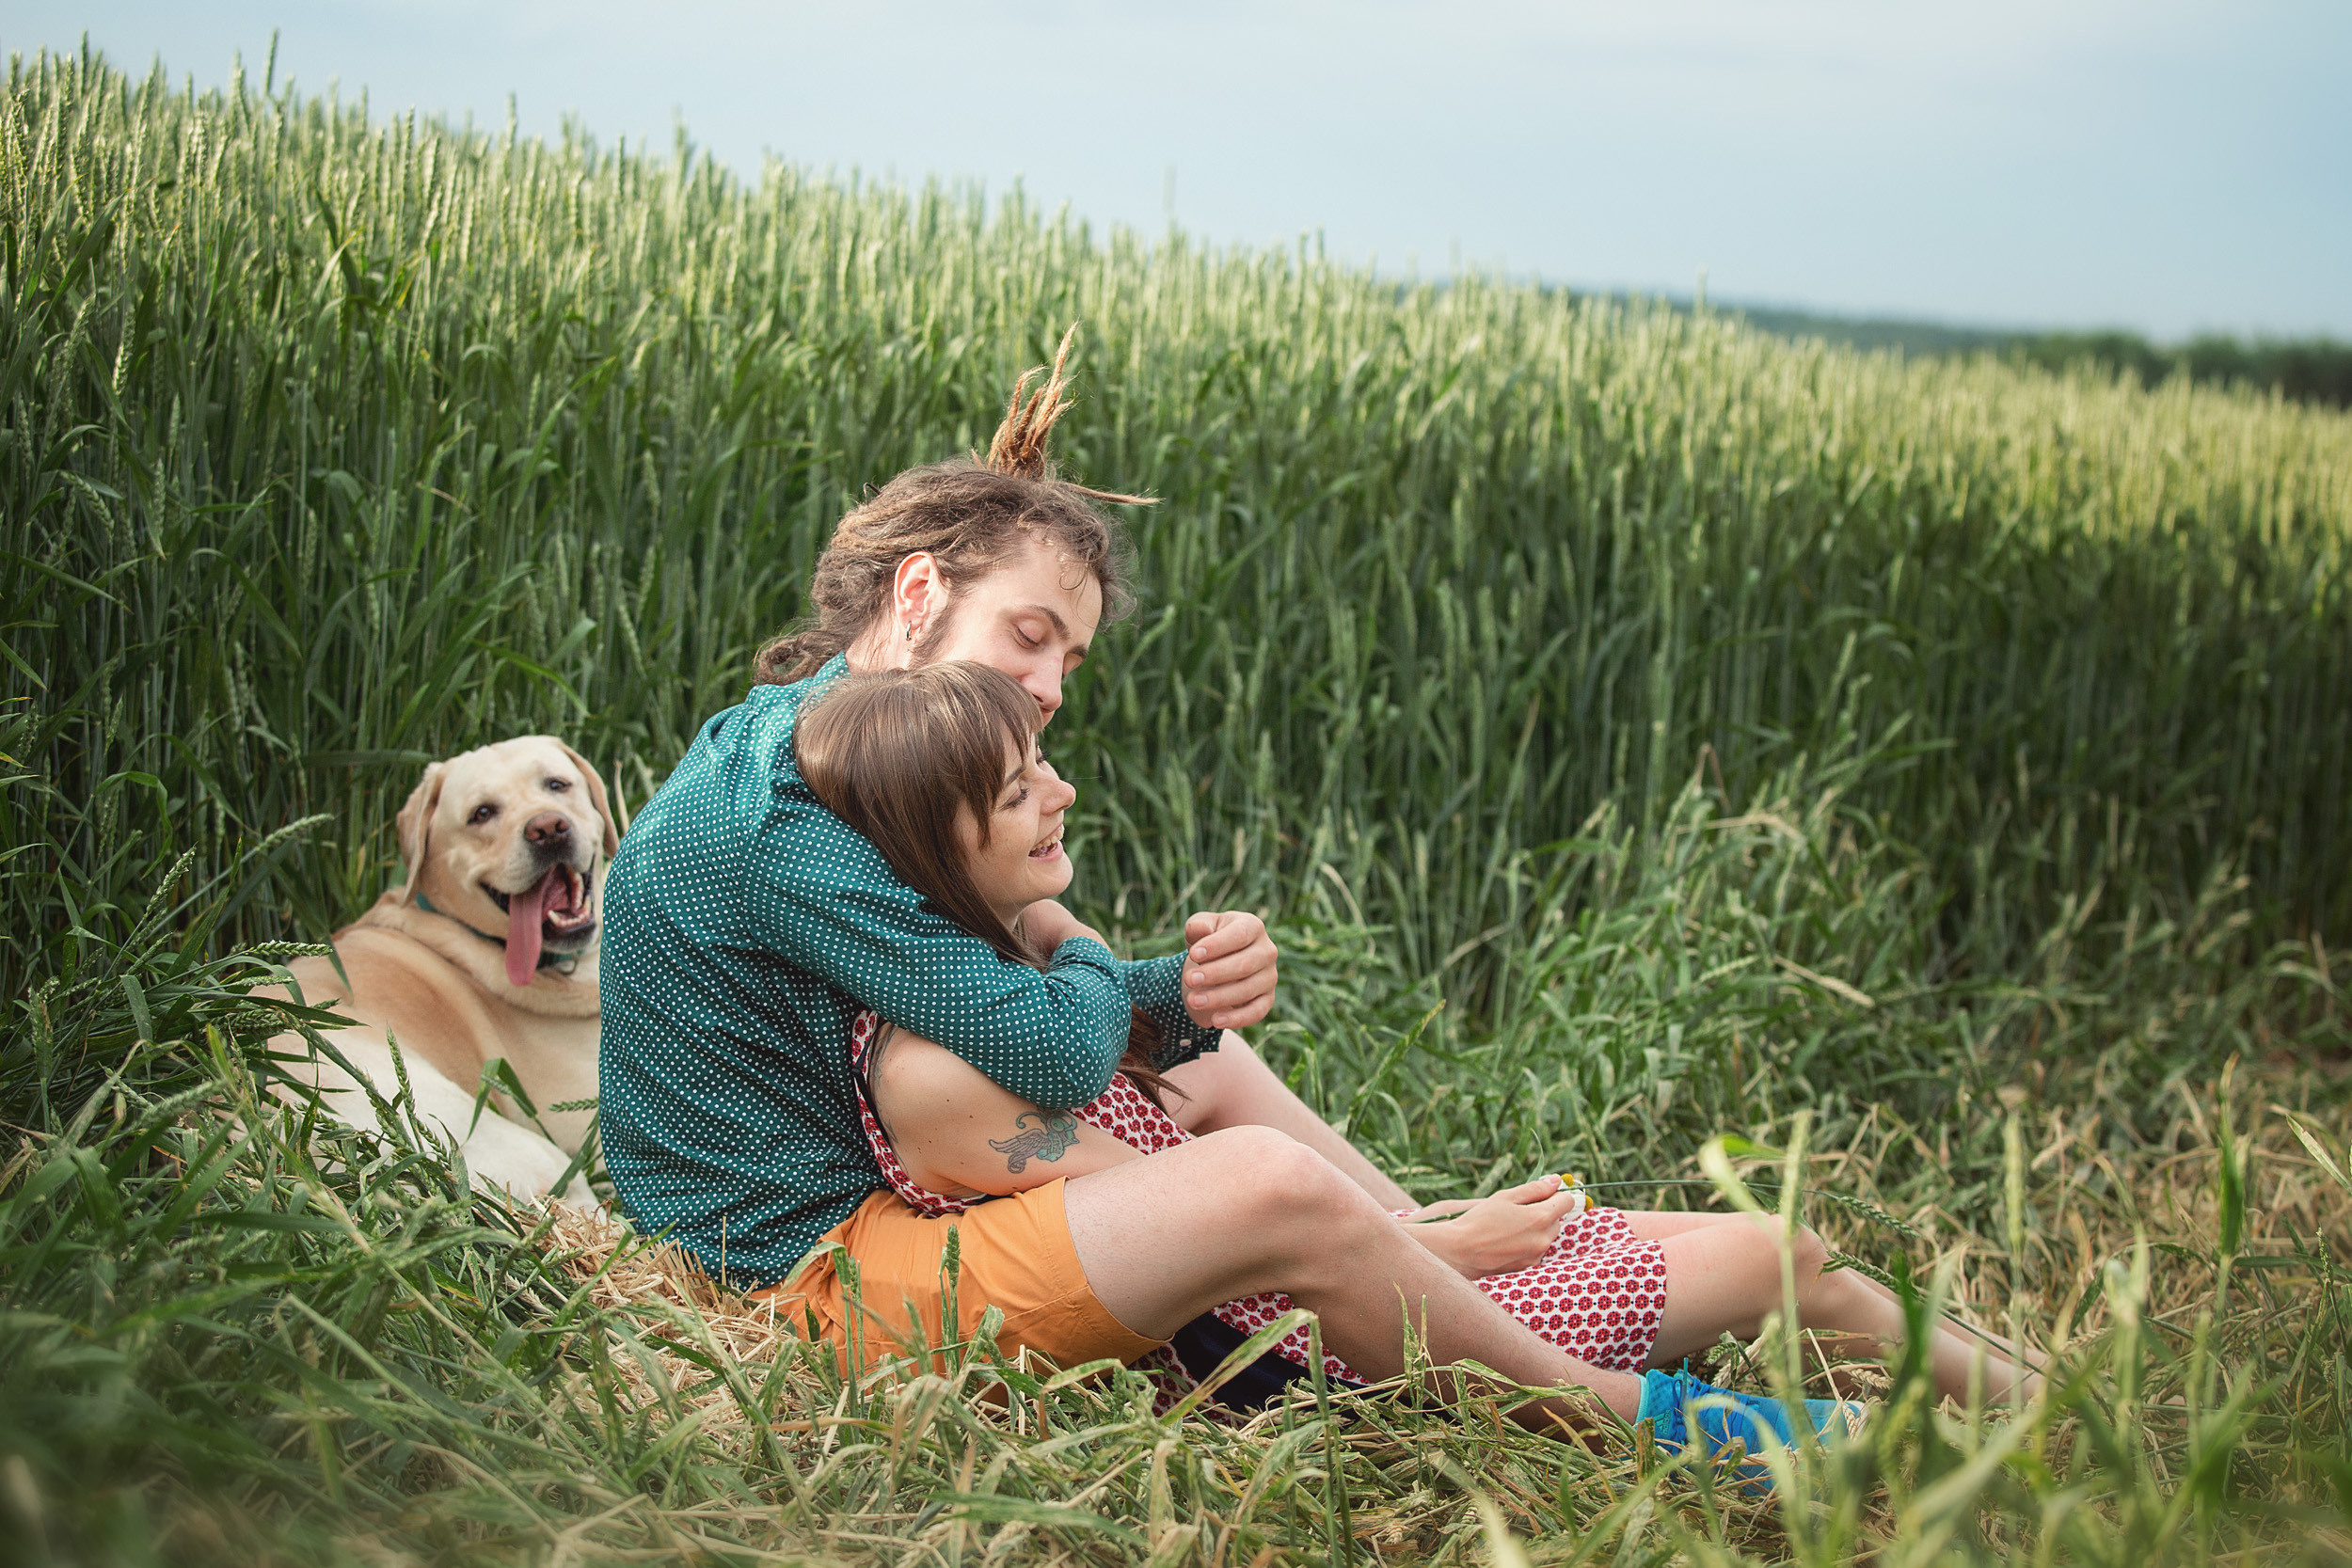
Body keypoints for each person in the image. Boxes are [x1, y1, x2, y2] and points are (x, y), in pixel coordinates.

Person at [597, 332, 2027, 1460]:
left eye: (1067, 665)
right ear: (914, 600)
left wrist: (1169, 998)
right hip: (810, 1264)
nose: (1045, 689)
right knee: (1261, 1173)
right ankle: (1618, 1409)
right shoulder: (792, 805)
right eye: (1027, 637)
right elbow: (1025, 1047)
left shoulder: (831, 750)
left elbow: (986, 1013)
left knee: (1224, 1076)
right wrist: (1078, 941)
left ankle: (1444, 1277)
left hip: (937, 1182)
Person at [794, 658, 2029, 1432]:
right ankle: (2041, 1427)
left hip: (1363, 1284)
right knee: (1783, 1251)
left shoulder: (1003, 986)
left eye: (1042, 764)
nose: (1060, 791)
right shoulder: (936, 1074)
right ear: (936, 848)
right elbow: (1213, 1243)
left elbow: (1204, 1098)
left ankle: (2050, 1412)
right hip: (1329, 1356)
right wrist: (1450, 1239)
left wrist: (1064, 932)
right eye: (1019, 791)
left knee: (1795, 1253)